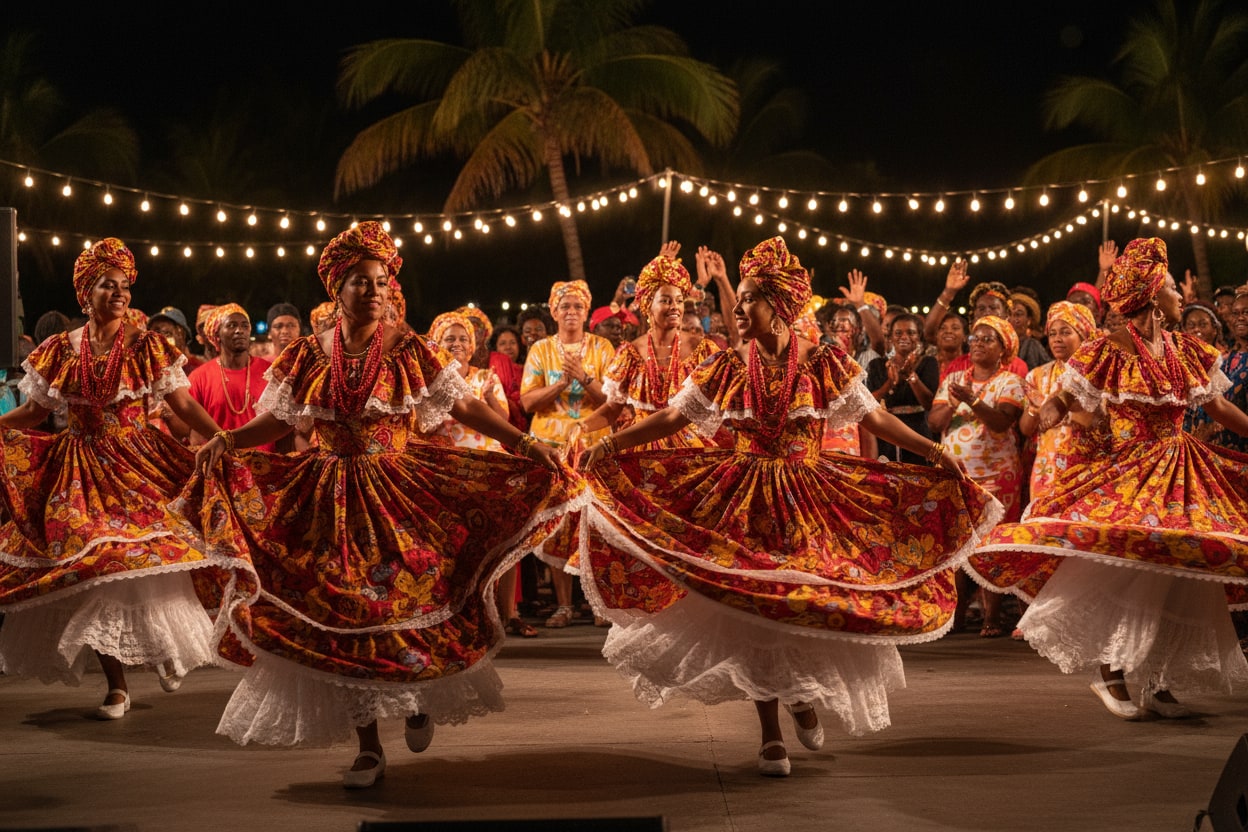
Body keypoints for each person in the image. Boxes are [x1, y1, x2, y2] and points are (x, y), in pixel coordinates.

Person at [576, 236, 1000, 777]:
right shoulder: (729, 366)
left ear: (778, 305)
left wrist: (933, 452)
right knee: (751, 609)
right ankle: (770, 734)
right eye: (736, 299)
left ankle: (800, 697)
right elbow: (674, 419)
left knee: (805, 602)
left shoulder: (823, 362)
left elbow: (874, 419)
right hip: (744, 498)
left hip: (807, 497)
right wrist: (611, 444)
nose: (736, 308)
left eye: (747, 298)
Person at [186, 222, 579, 788]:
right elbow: (281, 420)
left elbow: (465, 408)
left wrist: (524, 442)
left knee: (403, 601)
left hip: (397, 491)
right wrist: (228, 439)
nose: (372, 291)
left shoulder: (410, 350)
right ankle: (368, 747)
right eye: (359, 282)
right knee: (344, 613)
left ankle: (415, 693)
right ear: (336, 290)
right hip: (327, 495)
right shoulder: (305, 355)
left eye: (379, 282)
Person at [970, 238, 1248, 721]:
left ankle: (1159, 682)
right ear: (1149, 294)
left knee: (1181, 573)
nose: (1180, 295)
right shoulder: (1109, 350)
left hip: (1181, 470)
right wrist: (1052, 410)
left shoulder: (1186, 350)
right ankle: (1111, 671)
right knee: (1132, 569)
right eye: (1170, 285)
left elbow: (1218, 407)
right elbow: (1067, 397)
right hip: (1133, 472)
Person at [0, 238, 248, 719]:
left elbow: (183, 405)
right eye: (106, 286)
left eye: (124, 287)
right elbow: (34, 410)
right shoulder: (57, 351)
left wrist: (224, 439)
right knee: (95, 567)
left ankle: (165, 651)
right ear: (85, 294)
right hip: (77, 470)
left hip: (137, 463)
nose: (118, 293)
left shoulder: (147, 346)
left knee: (152, 557)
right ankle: (116, 686)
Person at [520, 279, 615, 628]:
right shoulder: (541, 350)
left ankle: (598, 604)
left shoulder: (603, 348)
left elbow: (614, 400)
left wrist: (585, 377)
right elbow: (527, 400)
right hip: (552, 448)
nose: (571, 311)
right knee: (557, 525)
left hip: (592, 446)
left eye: (577, 306)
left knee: (596, 524)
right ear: (555, 312)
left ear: (586, 311)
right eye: (565, 306)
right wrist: (561, 382)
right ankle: (563, 605)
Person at [928, 315, 1024, 637]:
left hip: (998, 475)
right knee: (956, 545)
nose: (978, 344)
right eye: (976, 339)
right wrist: (955, 403)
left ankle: (992, 618)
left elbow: (1001, 422)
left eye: (988, 339)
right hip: (958, 475)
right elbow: (934, 423)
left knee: (991, 546)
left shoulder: (1009, 381)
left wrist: (973, 399)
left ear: (1003, 349)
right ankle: (953, 619)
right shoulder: (953, 378)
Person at [187, 304, 275, 451]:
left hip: (263, 466)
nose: (239, 330)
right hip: (220, 466)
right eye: (232, 325)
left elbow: (282, 425)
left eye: (244, 325)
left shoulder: (270, 372)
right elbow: (196, 435)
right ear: (217, 335)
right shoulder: (199, 377)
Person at [866, 313, 939, 464]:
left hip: (918, 431)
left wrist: (911, 376)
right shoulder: (877, 365)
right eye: (898, 333)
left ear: (918, 337)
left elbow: (928, 403)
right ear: (891, 337)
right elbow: (868, 403)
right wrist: (890, 384)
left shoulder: (928, 363)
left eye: (911, 332)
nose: (904, 337)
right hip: (887, 433)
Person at [488, 324, 528, 432]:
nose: (508, 347)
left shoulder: (527, 368)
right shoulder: (493, 365)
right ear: (495, 347)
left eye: (512, 343)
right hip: (501, 423)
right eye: (502, 343)